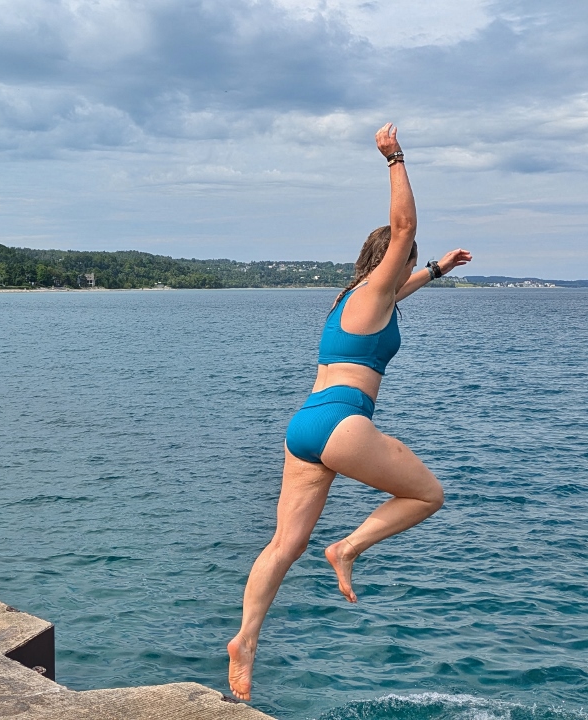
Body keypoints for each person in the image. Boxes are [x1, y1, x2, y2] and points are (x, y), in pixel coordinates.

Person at [227, 124, 473, 702]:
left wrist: (437, 269)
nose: (403, 269)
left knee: (283, 545)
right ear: (388, 258)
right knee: (426, 496)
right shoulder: (377, 287)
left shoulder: (354, 298)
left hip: (305, 425)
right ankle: (348, 549)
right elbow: (405, 228)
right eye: (403, 262)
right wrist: (395, 159)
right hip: (342, 421)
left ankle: (245, 640)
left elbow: (400, 286)